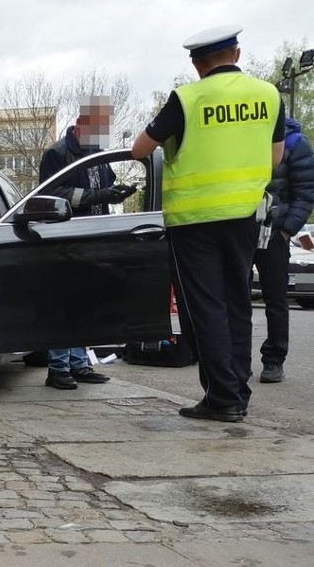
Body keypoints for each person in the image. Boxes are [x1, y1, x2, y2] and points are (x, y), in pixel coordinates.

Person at [131, 25, 285, 422]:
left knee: (205, 309)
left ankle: (223, 398)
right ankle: (239, 393)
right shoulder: (269, 95)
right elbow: (276, 158)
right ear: (237, 52)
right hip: (243, 216)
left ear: (197, 64)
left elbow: (139, 148)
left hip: (193, 221)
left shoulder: (187, 98)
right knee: (238, 303)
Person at [37, 96, 137, 390]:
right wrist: (101, 196)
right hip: (67, 238)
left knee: (84, 304)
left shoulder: (97, 153)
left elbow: (103, 186)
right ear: (81, 124)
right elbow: (54, 193)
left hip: (95, 235)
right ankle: (58, 368)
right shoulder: (56, 154)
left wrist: (115, 193)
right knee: (65, 303)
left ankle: (79, 365)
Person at [254, 118, 314, 383]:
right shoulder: (244, 136)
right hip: (240, 230)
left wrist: (287, 229)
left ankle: (274, 360)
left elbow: (306, 191)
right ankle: (236, 360)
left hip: (275, 232)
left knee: (276, 298)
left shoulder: (295, 143)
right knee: (234, 298)